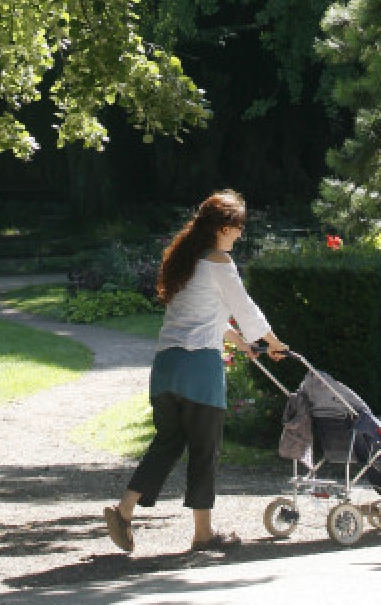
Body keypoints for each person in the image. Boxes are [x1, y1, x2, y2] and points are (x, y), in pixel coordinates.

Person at [103, 189, 288, 553]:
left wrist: (241, 343)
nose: (240, 234)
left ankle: (124, 510)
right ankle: (203, 534)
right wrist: (275, 342)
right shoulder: (219, 262)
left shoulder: (184, 262)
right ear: (222, 227)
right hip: (198, 371)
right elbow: (246, 308)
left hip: (166, 369)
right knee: (205, 450)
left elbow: (205, 320)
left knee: (168, 441)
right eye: (237, 227)